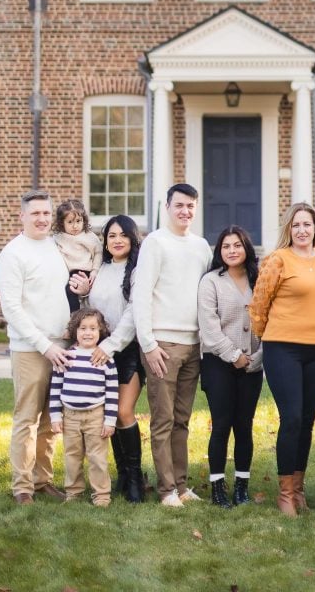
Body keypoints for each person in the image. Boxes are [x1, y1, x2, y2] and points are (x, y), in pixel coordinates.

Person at [250, 201, 315, 517]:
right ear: (289, 229)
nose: (302, 230)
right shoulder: (277, 260)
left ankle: (299, 488)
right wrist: (268, 336)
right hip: (283, 348)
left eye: (308, 224)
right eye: (296, 225)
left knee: (309, 420)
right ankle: (285, 493)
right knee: (293, 418)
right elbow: (258, 307)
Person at [132, 182, 212, 507]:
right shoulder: (155, 243)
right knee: (163, 420)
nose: (185, 211)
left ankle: (181, 485)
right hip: (162, 344)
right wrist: (148, 344)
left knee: (182, 419)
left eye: (190, 206)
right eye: (179, 205)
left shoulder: (202, 246)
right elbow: (141, 294)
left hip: (193, 344)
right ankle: (166, 490)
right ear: (167, 207)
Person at [0, 189, 74, 505]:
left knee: (49, 420)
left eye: (46, 213)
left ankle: (43, 481)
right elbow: (12, 309)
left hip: (60, 345)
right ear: (22, 216)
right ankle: (22, 487)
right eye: (35, 213)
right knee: (27, 419)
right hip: (31, 348)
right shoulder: (13, 254)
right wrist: (44, 345)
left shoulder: (54, 247)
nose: (42, 218)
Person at [197, 226, 263, 509]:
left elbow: (271, 321)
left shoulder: (259, 279)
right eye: (226, 246)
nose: (232, 250)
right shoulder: (211, 282)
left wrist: (258, 358)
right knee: (222, 425)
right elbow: (209, 328)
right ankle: (217, 489)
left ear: (246, 248)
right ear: (219, 251)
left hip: (253, 365)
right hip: (218, 363)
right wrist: (234, 355)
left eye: (237, 245)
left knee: (244, 426)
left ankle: (241, 488)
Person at [87, 214, 146, 502]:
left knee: (123, 412)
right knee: (107, 414)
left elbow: (134, 313)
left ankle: (136, 476)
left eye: (123, 235)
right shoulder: (100, 270)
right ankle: (121, 473)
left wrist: (112, 344)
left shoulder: (137, 271)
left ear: (132, 238)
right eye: (112, 235)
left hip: (127, 350)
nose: (117, 240)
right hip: (99, 352)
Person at [49, 307, 119, 507]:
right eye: (82, 328)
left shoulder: (105, 359)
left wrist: (109, 420)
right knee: (72, 456)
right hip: (70, 415)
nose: (87, 333)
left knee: (97, 458)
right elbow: (56, 386)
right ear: (74, 331)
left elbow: (112, 392)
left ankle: (102, 495)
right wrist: (55, 416)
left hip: (96, 415)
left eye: (93, 328)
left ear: (101, 331)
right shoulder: (66, 356)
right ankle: (73, 493)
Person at [52, 198, 103, 312]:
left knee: (71, 292)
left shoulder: (88, 236)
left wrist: (95, 271)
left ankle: (74, 317)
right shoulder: (58, 238)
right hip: (66, 273)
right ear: (61, 223)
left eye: (78, 221)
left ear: (84, 220)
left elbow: (98, 253)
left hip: (84, 272)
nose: (75, 226)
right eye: (70, 222)